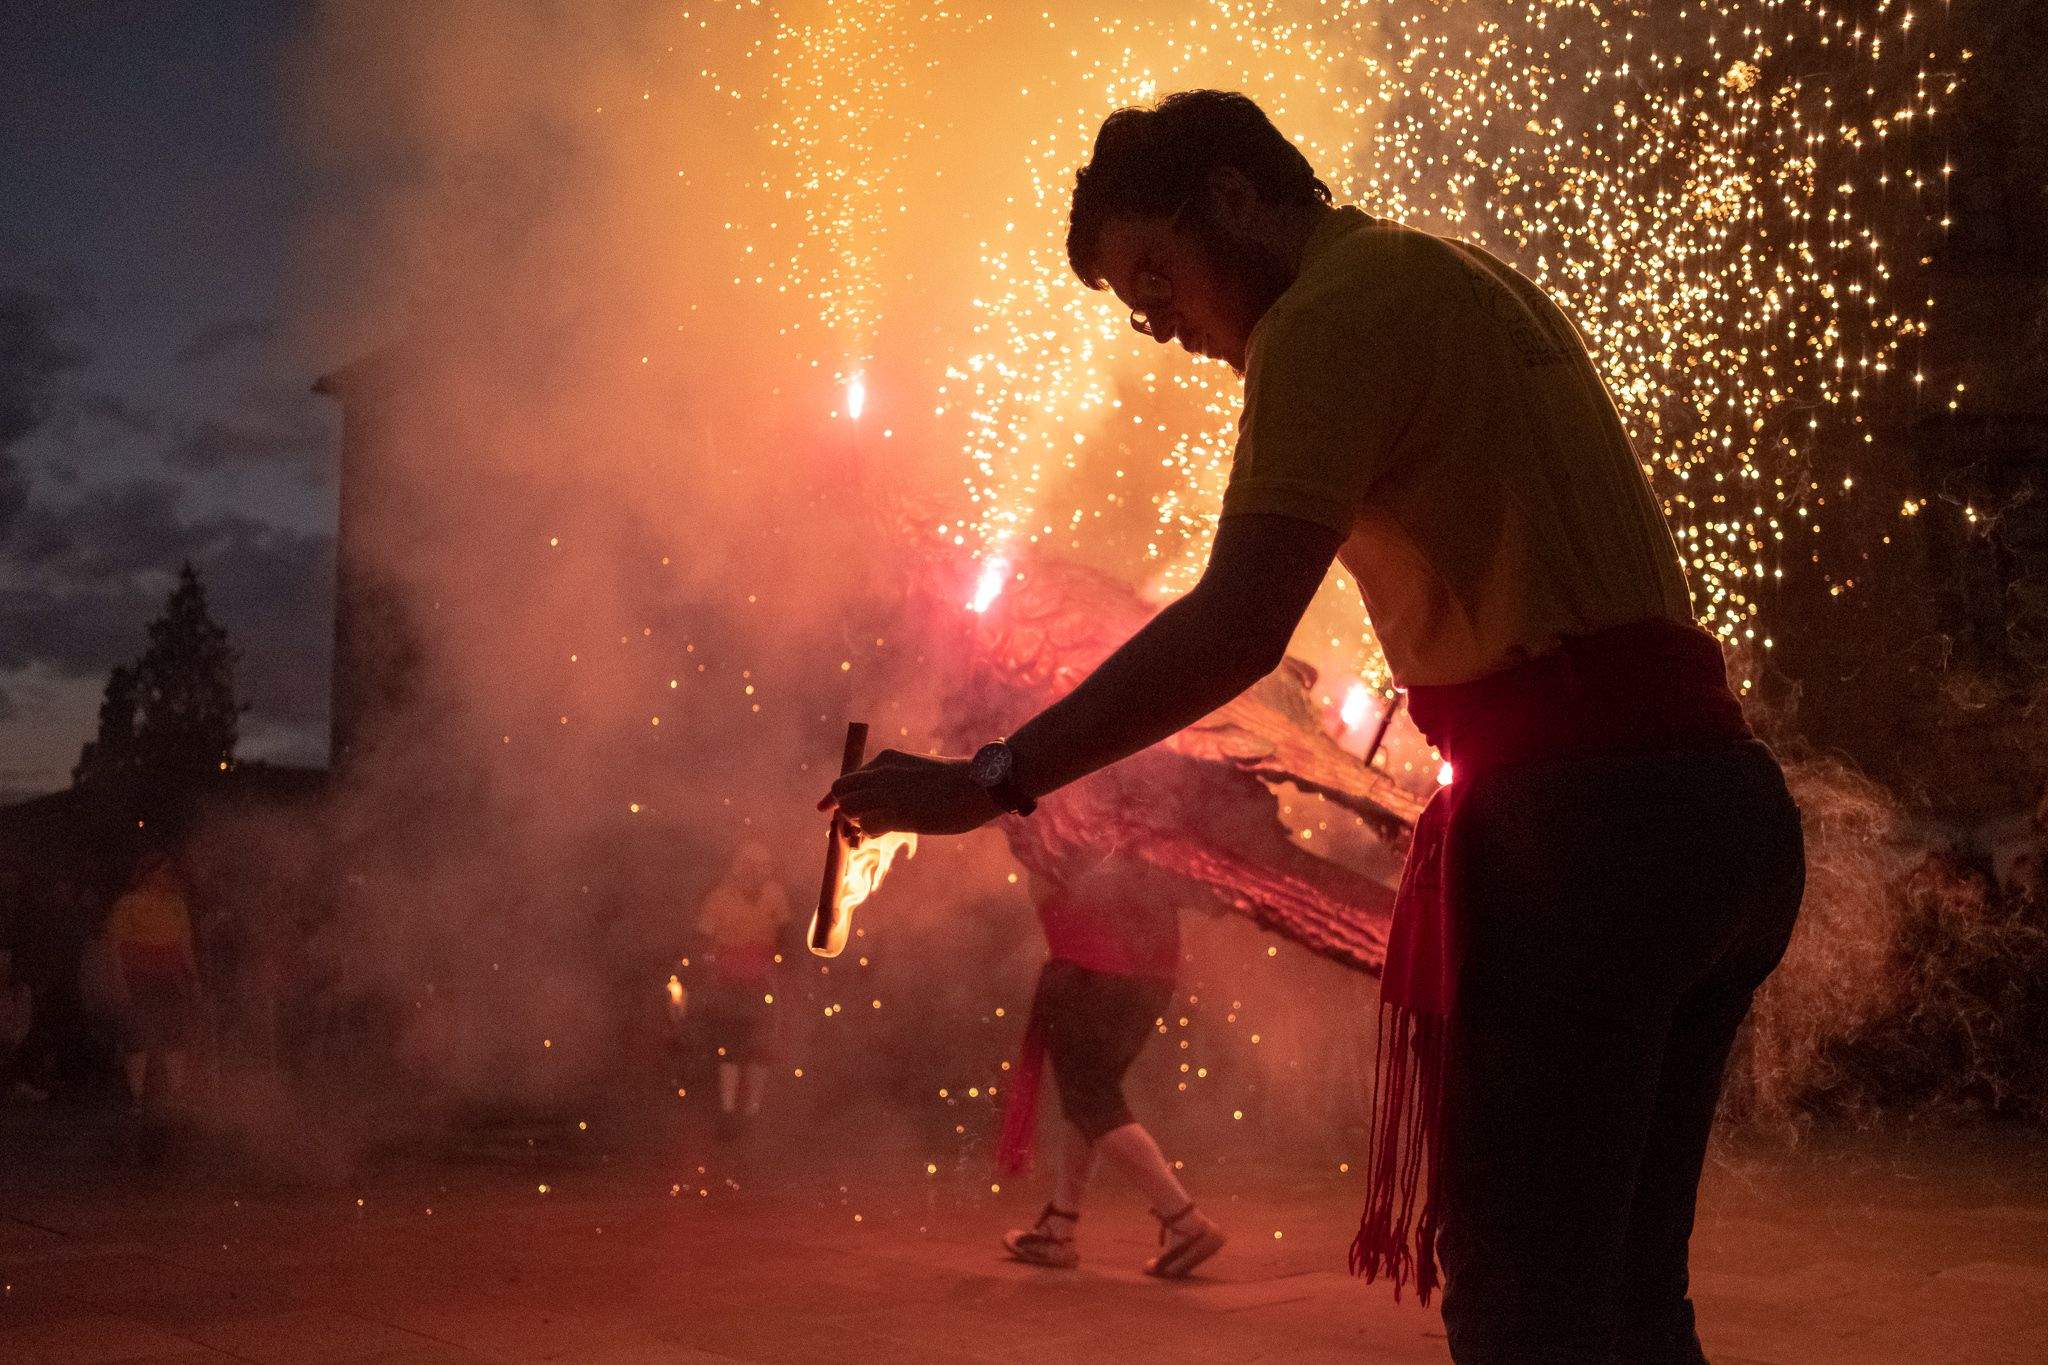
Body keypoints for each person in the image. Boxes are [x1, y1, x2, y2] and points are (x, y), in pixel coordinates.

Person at [824, 90, 1804, 1363]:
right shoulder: (1462, 277)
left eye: (1154, 275)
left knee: (1528, 1316)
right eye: (1132, 304)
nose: (1157, 325)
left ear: (1233, 199)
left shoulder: (1323, 319)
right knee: (1626, 1305)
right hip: (1722, 816)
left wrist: (993, 775)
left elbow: (1237, 623)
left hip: (1586, 826)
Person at [998, 864, 1224, 1277]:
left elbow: (1047, 887)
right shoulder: (1141, 830)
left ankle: (1185, 1221)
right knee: (1088, 1099)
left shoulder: (1063, 828)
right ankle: (1059, 1227)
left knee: (1091, 1101)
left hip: (1090, 973)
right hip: (1150, 979)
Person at [694, 841, 792, 1138]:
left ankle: (753, 1113)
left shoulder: (775, 894)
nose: (753, 873)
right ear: (737, 868)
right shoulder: (719, 898)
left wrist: (780, 967)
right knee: (730, 1047)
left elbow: (786, 933)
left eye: (760, 867)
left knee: (760, 1047)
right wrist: (710, 970)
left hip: (763, 981)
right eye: (748, 866)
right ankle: (728, 1113)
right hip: (728, 982)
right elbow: (703, 938)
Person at [103, 853, 206, 1112]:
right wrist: (119, 982)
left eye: (169, 871)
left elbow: (185, 945)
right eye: (163, 871)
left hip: (170, 978)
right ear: (148, 874)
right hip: (138, 979)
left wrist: (194, 978)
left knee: (174, 1035)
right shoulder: (128, 905)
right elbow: (114, 949)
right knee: (138, 1038)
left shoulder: (176, 904)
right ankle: (137, 1098)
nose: (167, 876)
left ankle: (176, 1094)